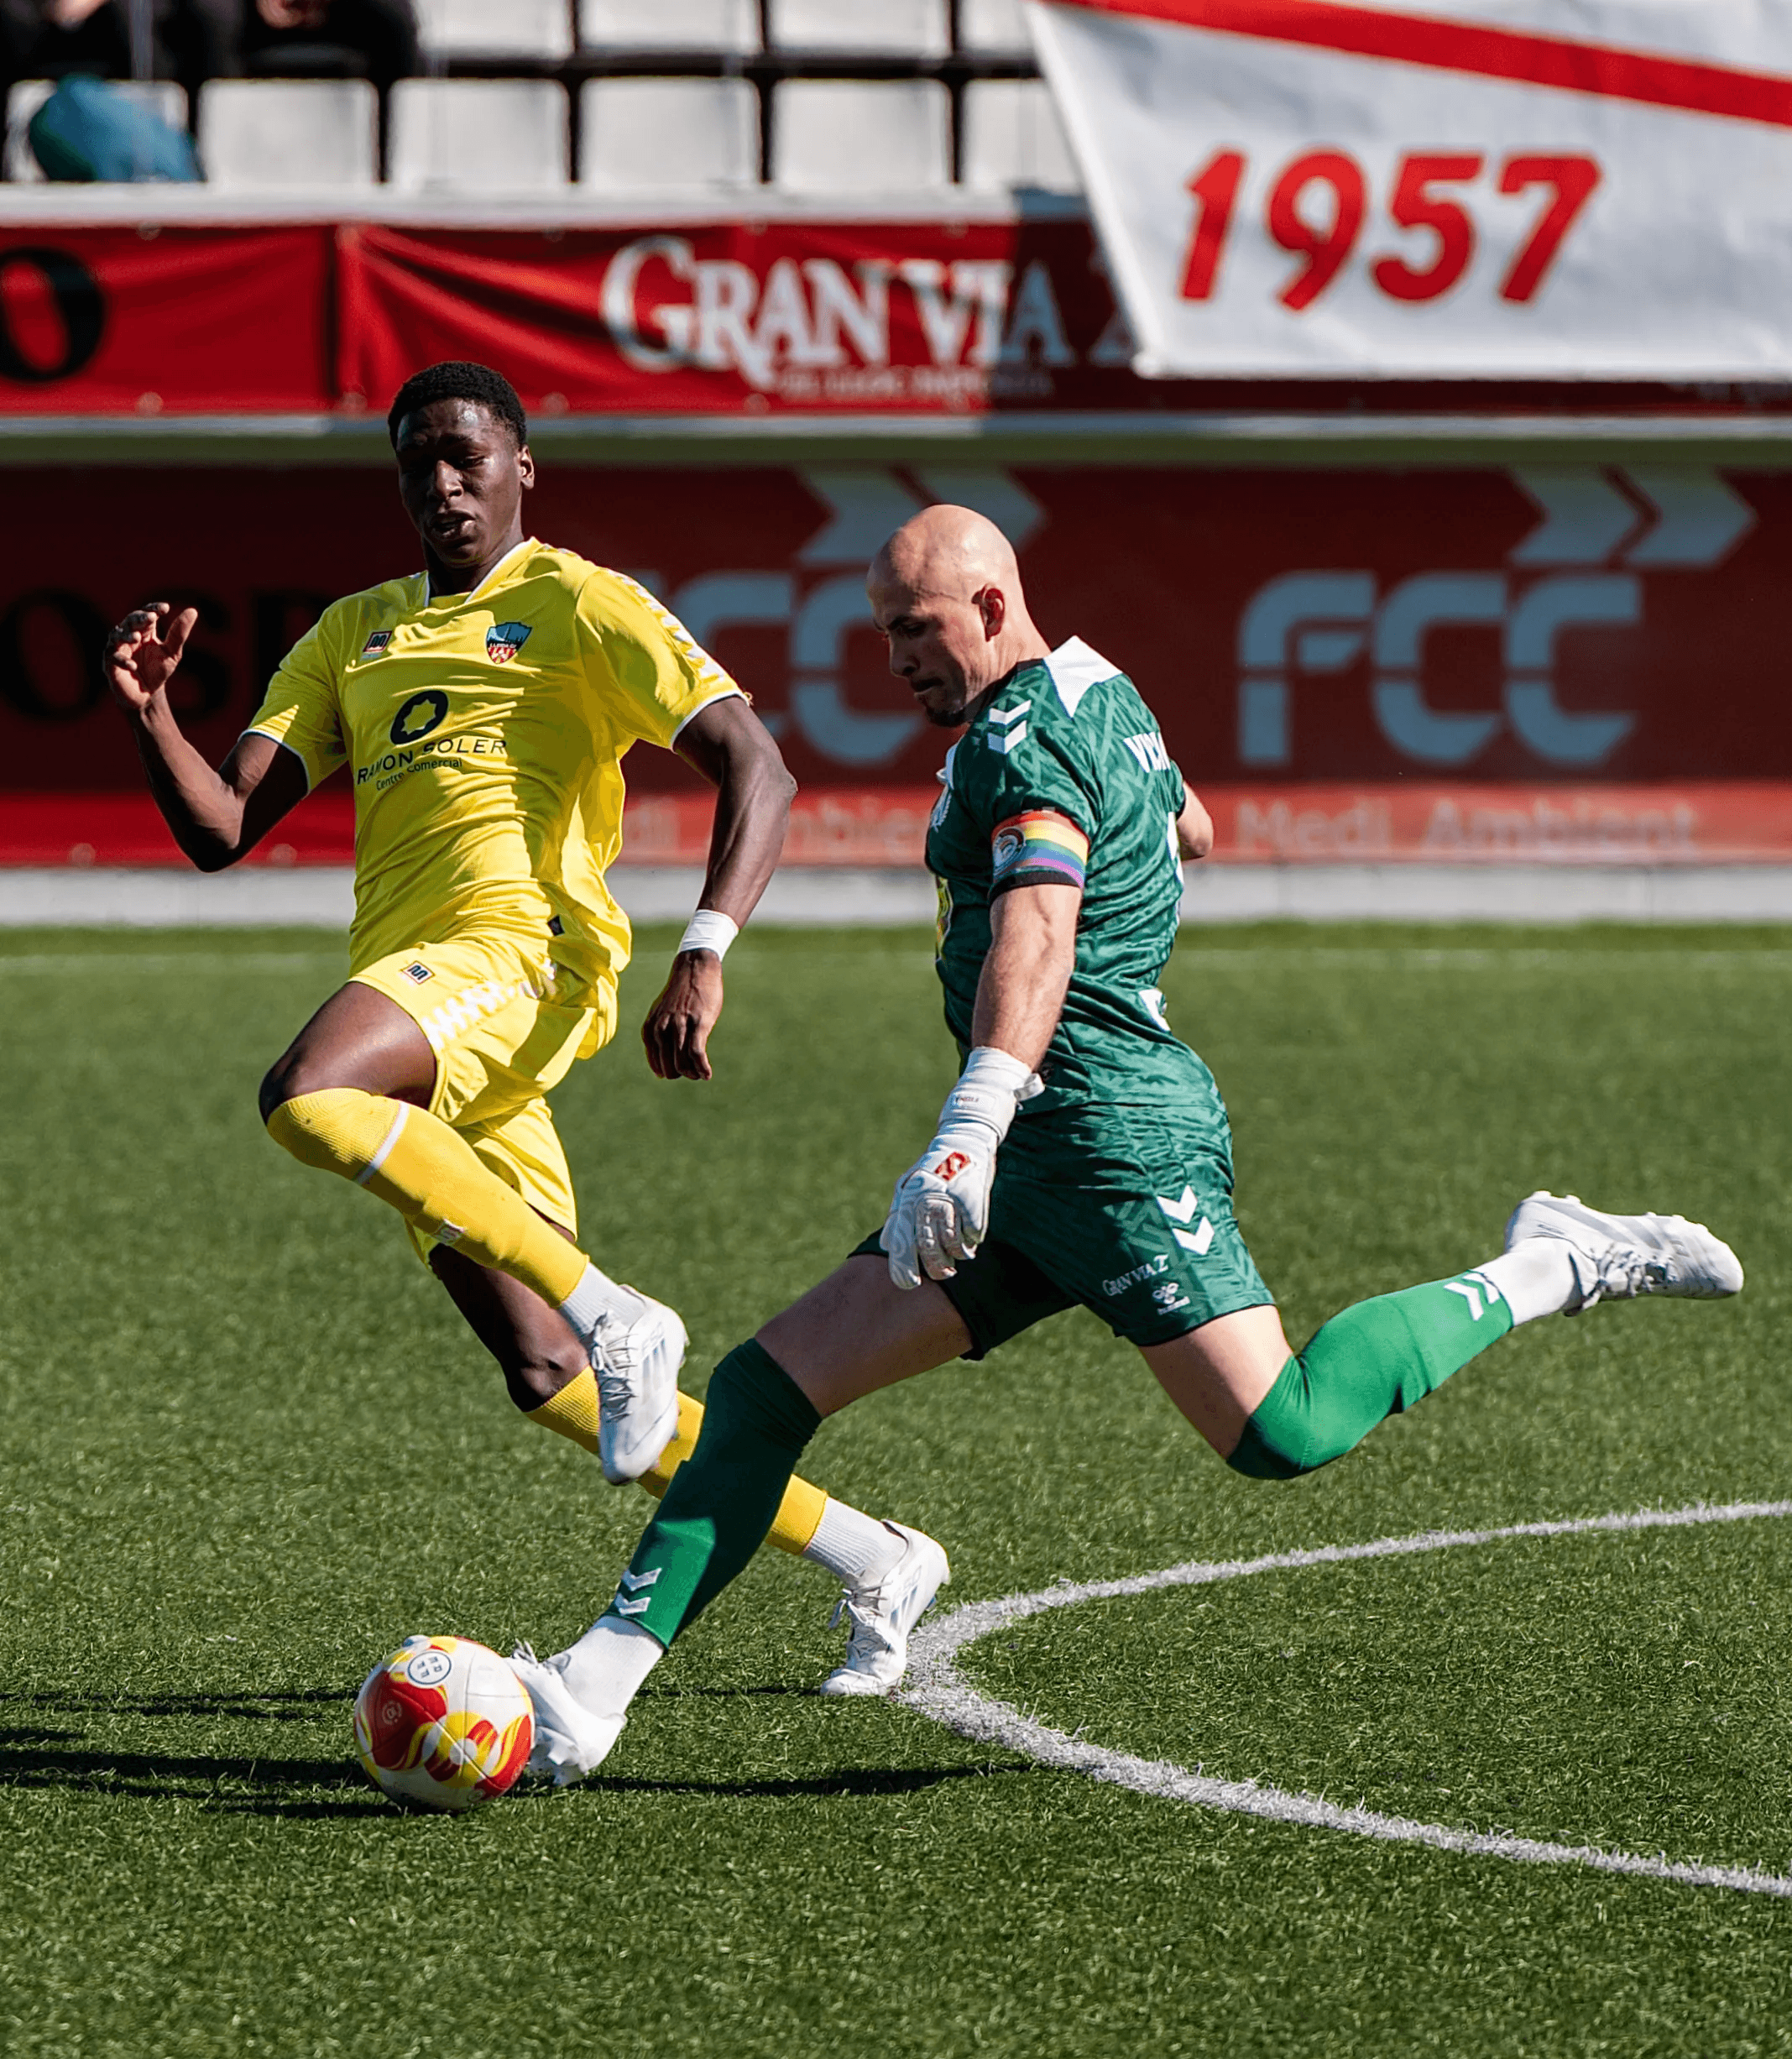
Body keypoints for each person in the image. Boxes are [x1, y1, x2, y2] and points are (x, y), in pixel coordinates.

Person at [508, 501, 1746, 1782]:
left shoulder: (1025, 734)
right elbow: (1193, 825)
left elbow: (1037, 930)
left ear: (990, 607)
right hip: (1034, 1163)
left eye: (914, 627)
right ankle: (594, 1689)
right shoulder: (1096, 685)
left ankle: (1554, 1263)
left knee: (1284, 1432)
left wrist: (969, 1128)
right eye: (881, 632)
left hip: (1108, 1148)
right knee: (771, 1386)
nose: (896, 658)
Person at [103, 359, 949, 1716]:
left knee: (307, 1091)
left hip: (522, 960)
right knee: (549, 1375)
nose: (441, 483)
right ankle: (875, 1555)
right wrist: (149, 713)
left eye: (464, 456)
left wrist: (705, 950)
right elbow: (219, 831)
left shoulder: (575, 599)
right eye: (415, 463)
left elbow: (757, 763)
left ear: (520, 467)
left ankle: (630, 1314)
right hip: (428, 1007)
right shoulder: (353, 634)